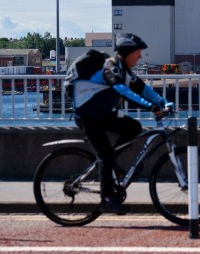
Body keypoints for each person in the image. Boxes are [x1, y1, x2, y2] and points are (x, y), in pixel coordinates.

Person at [72, 33, 170, 214]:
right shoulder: (110, 67)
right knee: (105, 154)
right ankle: (106, 198)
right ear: (127, 53)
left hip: (101, 114)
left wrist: (162, 101)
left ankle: (112, 164)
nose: (140, 56)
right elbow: (122, 90)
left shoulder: (124, 71)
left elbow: (142, 88)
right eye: (137, 53)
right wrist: (150, 106)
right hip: (87, 116)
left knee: (134, 127)